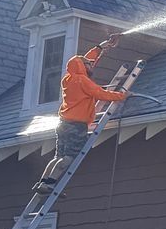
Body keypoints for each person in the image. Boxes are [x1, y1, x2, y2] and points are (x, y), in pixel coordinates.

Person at [33, 37, 127, 193]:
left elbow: (85, 60)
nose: (92, 64)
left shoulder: (68, 79)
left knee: (58, 156)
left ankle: (43, 182)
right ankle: (50, 183)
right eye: (88, 64)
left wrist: (101, 46)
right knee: (69, 156)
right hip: (76, 125)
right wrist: (122, 95)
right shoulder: (83, 81)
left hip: (63, 123)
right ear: (82, 66)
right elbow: (100, 94)